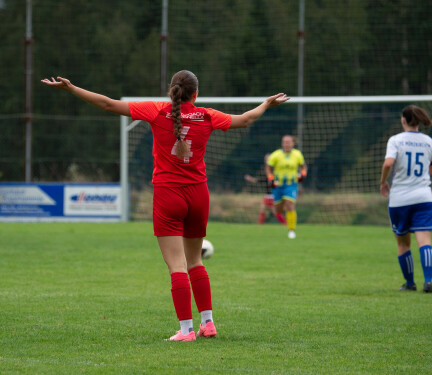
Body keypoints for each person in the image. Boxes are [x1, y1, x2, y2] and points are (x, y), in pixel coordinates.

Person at [41, 71, 289, 341]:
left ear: (172, 90)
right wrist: (266, 104)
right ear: (195, 94)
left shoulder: (156, 111)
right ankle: (208, 323)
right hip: (198, 195)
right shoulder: (206, 115)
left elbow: (108, 104)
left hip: (168, 195)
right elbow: (246, 119)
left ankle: (186, 331)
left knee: (177, 266)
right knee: (195, 261)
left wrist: (72, 88)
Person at [379, 105, 432, 293]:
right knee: (425, 241)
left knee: (403, 243)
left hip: (400, 198)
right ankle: (428, 281)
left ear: (403, 120)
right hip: (423, 196)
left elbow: (389, 163)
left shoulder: (396, 140)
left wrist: (382, 182)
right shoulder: (428, 141)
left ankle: (410, 283)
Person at [265, 135, 307, 239]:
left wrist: (303, 174)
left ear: (293, 143)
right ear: (282, 143)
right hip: (278, 185)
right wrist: (270, 178)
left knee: (289, 204)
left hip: (291, 184)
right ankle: (283, 214)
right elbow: (268, 168)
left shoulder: (297, 155)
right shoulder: (276, 155)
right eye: (284, 142)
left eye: (288, 142)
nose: (286, 144)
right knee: (278, 210)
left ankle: (291, 230)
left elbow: (303, 167)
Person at [244, 154, 287, 225]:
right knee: (262, 210)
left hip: (273, 196)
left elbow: (272, 181)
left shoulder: (274, 170)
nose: (267, 161)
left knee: (276, 213)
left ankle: (286, 224)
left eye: (268, 159)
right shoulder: (266, 170)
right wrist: (252, 179)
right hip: (267, 195)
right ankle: (259, 226)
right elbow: (264, 180)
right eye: (266, 159)